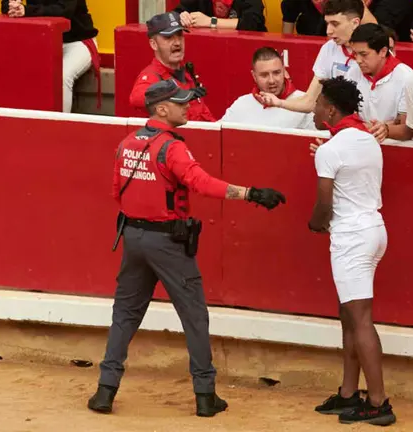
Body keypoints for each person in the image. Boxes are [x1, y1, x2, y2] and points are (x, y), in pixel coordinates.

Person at [87, 79, 286, 416]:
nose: (187, 107)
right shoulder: (173, 148)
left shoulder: (127, 143)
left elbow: (116, 194)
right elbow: (201, 183)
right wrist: (250, 193)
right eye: (180, 103)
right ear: (162, 109)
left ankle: (105, 391)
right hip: (167, 241)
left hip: (132, 237)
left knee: (125, 314)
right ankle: (205, 395)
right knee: (194, 315)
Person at [308, 76, 396, 426]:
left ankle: (378, 403)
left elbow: (324, 204)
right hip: (374, 230)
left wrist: (314, 224)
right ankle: (348, 394)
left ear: (329, 109)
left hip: (350, 237)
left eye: (317, 103)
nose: (313, 108)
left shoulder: (331, 150)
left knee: (359, 319)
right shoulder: (367, 140)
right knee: (350, 315)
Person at [259, 0, 363, 112]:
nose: (328, 31)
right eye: (327, 24)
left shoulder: (376, 51)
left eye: (335, 24)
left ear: (355, 23)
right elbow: (310, 101)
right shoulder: (329, 48)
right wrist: (279, 103)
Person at [2, 0, 99, 113]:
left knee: (62, 76)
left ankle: (61, 127)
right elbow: (5, 6)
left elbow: (64, 11)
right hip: (45, 40)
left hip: (78, 42)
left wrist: (27, 10)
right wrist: (13, 6)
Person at [130, 12, 216, 122]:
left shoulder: (185, 73)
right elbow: (136, 99)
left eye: (179, 35)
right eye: (168, 37)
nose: (177, 43)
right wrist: (179, 95)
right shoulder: (151, 76)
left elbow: (201, 114)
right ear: (154, 44)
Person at [345, 23, 413, 141]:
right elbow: (343, 113)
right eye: (355, 54)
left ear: (383, 51)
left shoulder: (407, 77)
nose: (358, 60)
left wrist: (386, 129)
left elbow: (409, 129)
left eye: (363, 54)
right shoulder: (353, 71)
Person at [220, 47, 315, 129]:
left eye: (276, 73)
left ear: (284, 71)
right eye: (264, 75)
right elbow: (215, 135)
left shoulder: (304, 103)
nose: (271, 80)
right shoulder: (241, 104)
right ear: (254, 76)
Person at [174, 0, 267, 31]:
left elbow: (253, 22)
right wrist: (183, 17)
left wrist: (211, 21)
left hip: (246, 49)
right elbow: (176, 13)